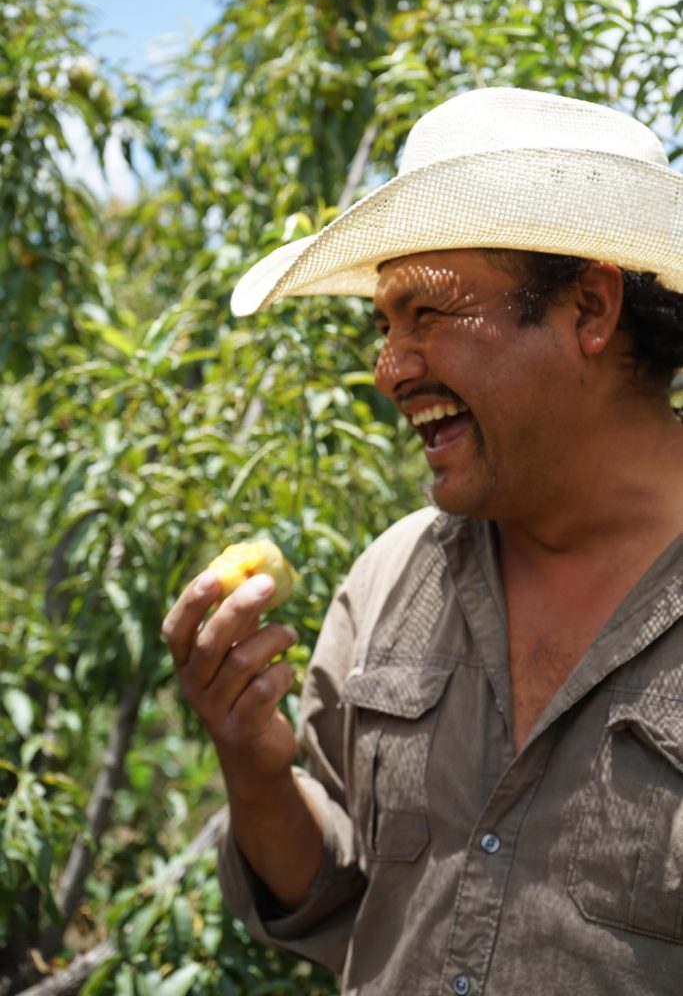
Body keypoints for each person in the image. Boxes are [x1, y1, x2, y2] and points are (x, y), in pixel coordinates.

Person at [162, 88, 683, 995]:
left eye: (427, 315)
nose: (389, 370)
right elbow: (334, 895)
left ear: (589, 310)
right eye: (384, 325)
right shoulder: (391, 580)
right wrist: (251, 764)